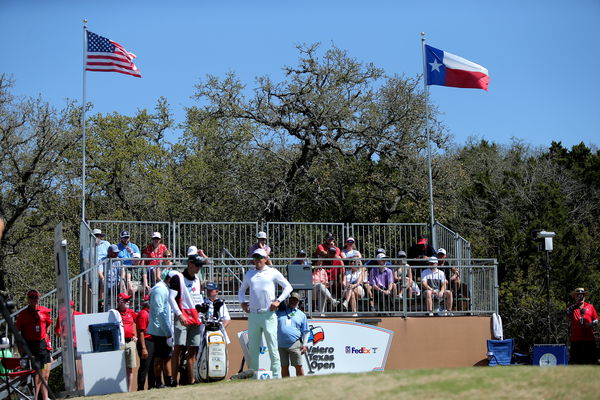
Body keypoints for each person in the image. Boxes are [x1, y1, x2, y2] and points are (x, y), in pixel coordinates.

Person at [238, 248, 293, 379]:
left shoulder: (272, 272)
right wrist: (242, 303)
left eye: (260, 258)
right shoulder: (249, 274)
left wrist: (278, 301)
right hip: (253, 315)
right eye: (255, 258)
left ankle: (275, 376)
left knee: (273, 347)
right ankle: (254, 375)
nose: (257, 260)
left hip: (268, 314)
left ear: (266, 259)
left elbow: (288, 287)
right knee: (253, 349)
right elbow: (241, 290)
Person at [168, 254, 207, 385]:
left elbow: (196, 298)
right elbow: (171, 298)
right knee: (178, 348)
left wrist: (202, 308)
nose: (199, 268)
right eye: (197, 265)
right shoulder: (177, 278)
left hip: (195, 317)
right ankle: (174, 380)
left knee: (193, 350)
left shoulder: (196, 279)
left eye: (200, 266)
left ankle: (192, 380)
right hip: (182, 317)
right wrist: (180, 315)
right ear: (190, 264)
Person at [15, 289, 52, 400]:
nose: (33, 300)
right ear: (28, 299)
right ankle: (34, 397)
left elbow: (49, 323)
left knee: (45, 374)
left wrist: (46, 335)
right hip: (29, 345)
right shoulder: (23, 314)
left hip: (42, 345)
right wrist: (20, 347)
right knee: (36, 373)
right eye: (31, 297)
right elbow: (17, 331)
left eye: (35, 297)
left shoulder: (44, 311)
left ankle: (45, 397)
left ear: (38, 299)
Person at [148, 270, 175, 388]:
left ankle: (168, 381)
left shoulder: (164, 289)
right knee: (159, 356)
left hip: (164, 329)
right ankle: (158, 382)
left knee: (167, 356)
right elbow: (159, 312)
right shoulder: (160, 289)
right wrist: (167, 331)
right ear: (169, 280)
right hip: (160, 330)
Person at [276, 292, 310, 377]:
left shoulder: (301, 315)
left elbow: (306, 331)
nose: (293, 301)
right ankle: (286, 385)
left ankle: (301, 385)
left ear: (299, 302)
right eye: (291, 299)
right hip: (281, 344)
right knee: (284, 366)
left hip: (295, 344)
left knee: (298, 366)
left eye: (296, 300)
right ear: (288, 300)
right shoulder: (279, 312)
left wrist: (305, 344)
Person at [566, 287, 598, 364]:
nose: (581, 297)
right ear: (575, 297)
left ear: (584, 296)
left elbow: (596, 319)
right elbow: (566, 313)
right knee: (576, 362)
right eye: (578, 295)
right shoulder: (572, 308)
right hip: (576, 339)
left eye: (582, 295)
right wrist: (575, 305)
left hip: (589, 339)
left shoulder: (590, 306)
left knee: (590, 362)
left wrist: (590, 324)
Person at [115, 292, 137, 392]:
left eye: (128, 300)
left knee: (130, 367)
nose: (128, 302)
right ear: (120, 302)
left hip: (130, 342)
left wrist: (136, 336)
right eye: (126, 300)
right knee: (117, 368)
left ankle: (128, 391)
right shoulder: (114, 313)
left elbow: (139, 323)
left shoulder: (131, 312)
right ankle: (118, 390)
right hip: (118, 343)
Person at [136, 295, 155, 390]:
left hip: (150, 341)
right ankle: (140, 387)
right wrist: (144, 348)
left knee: (151, 365)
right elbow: (141, 332)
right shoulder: (143, 314)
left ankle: (151, 386)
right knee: (145, 366)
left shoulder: (149, 313)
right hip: (146, 341)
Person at [100, 244, 126, 309]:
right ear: (109, 252)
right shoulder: (103, 260)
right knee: (103, 283)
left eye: (117, 252)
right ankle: (102, 304)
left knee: (122, 284)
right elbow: (100, 271)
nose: (116, 254)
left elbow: (122, 271)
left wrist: (121, 279)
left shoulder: (119, 260)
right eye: (114, 253)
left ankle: (125, 303)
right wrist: (103, 278)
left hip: (116, 281)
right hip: (107, 281)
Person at [117, 231, 142, 296]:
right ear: (121, 238)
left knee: (125, 277)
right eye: (124, 238)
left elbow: (139, 259)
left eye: (127, 237)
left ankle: (127, 298)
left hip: (133, 268)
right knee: (123, 271)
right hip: (122, 268)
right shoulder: (117, 247)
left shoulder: (134, 246)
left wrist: (132, 252)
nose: (126, 239)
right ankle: (126, 297)